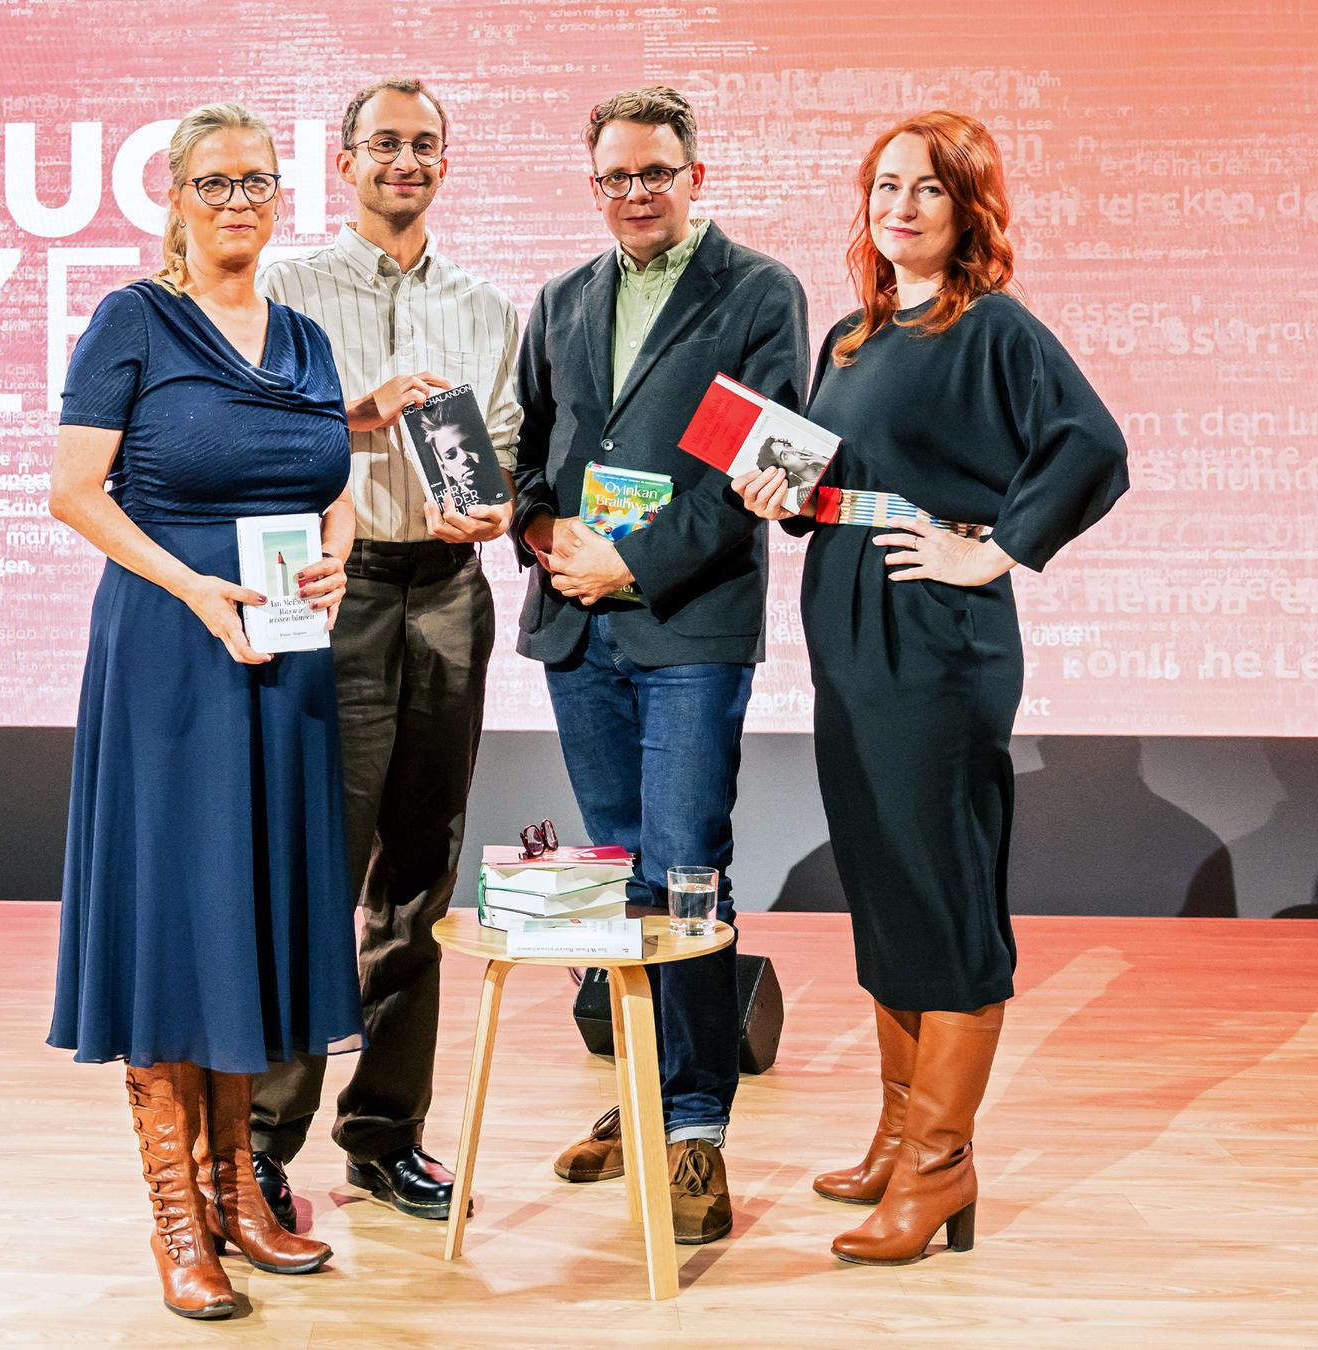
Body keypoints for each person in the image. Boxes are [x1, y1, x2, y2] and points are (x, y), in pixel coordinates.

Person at [733, 110, 1128, 1265]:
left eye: (928, 190)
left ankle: (943, 1167)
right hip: (849, 621)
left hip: (936, 627)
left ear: (967, 210)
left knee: (941, 882)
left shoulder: (992, 328)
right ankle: (899, 1134)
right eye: (884, 186)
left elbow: (1092, 446)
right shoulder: (852, 338)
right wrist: (785, 496)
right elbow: (838, 478)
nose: (899, 206)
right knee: (884, 871)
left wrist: (995, 548)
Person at [45, 102, 366, 1320]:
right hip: (173, 660)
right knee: (176, 927)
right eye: (217, 181)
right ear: (174, 195)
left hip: (285, 660)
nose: (241, 200)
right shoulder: (132, 322)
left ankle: (241, 1194)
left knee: (250, 923)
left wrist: (335, 555)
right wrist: (190, 585)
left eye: (260, 182)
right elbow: (75, 492)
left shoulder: (306, 335)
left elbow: (336, 482)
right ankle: (178, 1217)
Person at [506, 86, 808, 1245]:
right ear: (594, 185)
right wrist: (547, 540)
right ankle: (636, 1098)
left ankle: (695, 1130)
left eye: (656, 173)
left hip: (686, 624)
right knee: (625, 878)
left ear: (697, 174)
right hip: (577, 630)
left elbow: (760, 472)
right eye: (614, 178)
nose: (635, 194)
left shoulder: (758, 290)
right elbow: (530, 454)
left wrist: (629, 565)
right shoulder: (562, 297)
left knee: (688, 874)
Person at [248, 77, 522, 1229]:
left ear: (446, 163)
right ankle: (262, 1138)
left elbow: (500, 449)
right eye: (384, 145)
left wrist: (497, 511)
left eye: (426, 146)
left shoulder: (487, 305)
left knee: (422, 875)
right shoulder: (285, 289)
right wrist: (350, 417)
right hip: (337, 589)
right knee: (321, 868)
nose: (405, 162)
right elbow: (247, 429)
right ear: (346, 162)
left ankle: (385, 1134)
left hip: (449, 589)